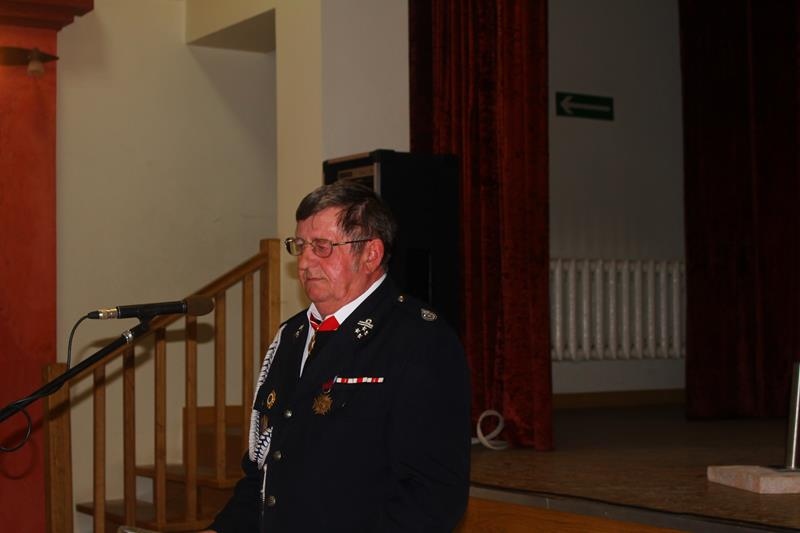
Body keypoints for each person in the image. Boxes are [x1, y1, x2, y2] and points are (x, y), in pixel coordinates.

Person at [204, 180, 471, 532]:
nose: (305, 262)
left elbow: (432, 497)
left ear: (371, 254)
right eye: (300, 246)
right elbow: (265, 471)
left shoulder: (418, 339)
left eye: (322, 247)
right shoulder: (291, 336)